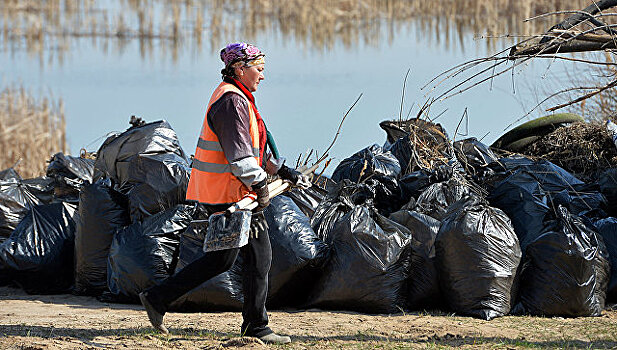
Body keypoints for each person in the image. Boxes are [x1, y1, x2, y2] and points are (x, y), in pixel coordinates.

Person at [139, 42, 309, 344]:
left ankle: (158, 298)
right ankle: (256, 326)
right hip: (232, 194)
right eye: (259, 69)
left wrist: (280, 171)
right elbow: (239, 158)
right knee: (259, 258)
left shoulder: (237, 97)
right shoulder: (232, 103)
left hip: (230, 191)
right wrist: (260, 186)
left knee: (224, 260)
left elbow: (255, 150)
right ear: (239, 68)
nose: (263, 76)